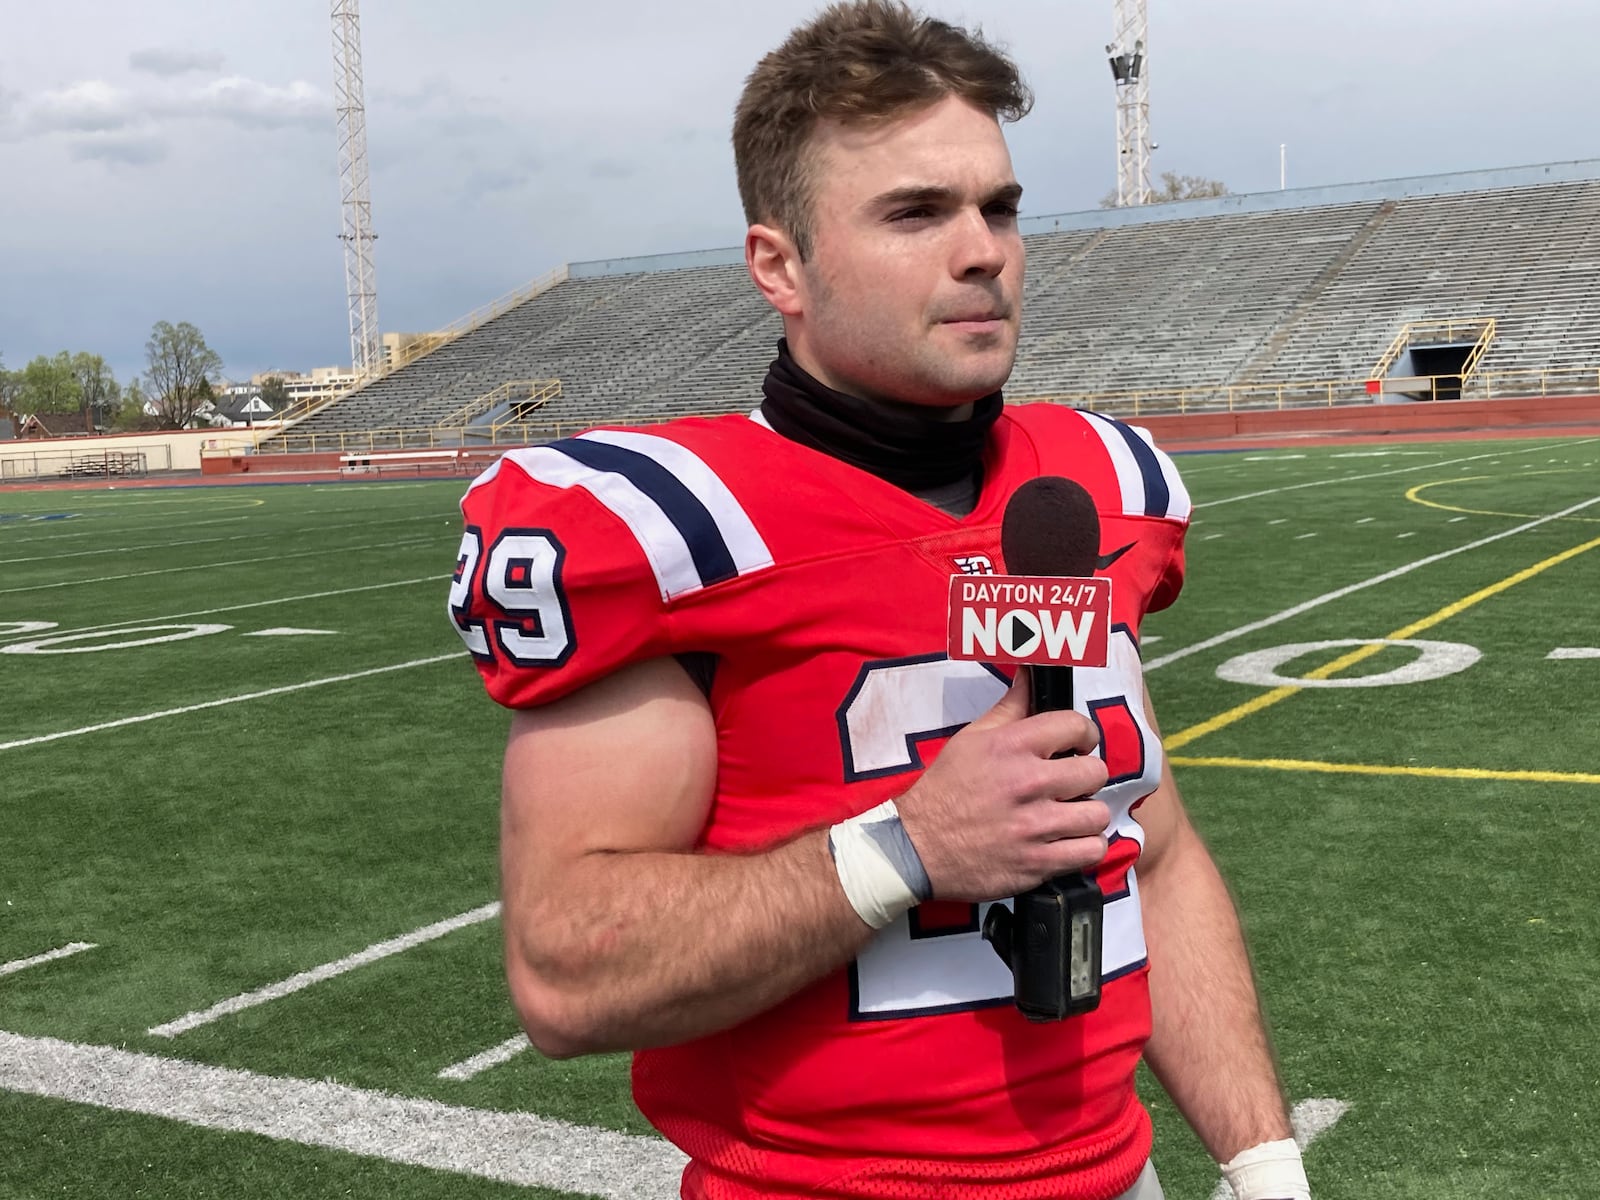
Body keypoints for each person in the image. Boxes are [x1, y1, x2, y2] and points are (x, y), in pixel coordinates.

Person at [448, 3, 1310, 1198]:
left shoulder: (1095, 490)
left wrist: (1263, 1163)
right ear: (780, 266)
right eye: (915, 212)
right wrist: (909, 846)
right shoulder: (675, 527)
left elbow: (1151, 859)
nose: (982, 251)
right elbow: (566, 976)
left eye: (997, 208)